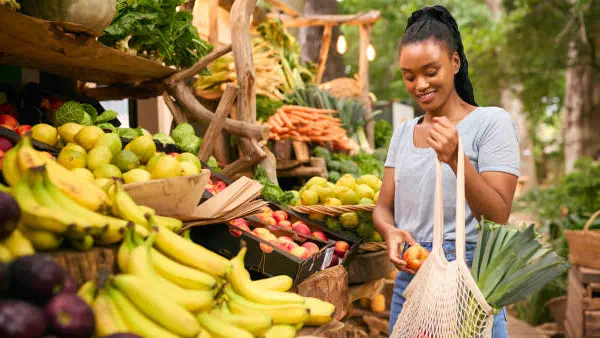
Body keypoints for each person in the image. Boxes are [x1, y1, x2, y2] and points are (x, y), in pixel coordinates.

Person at [373, 5, 520, 337]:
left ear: (454, 63)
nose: (420, 84)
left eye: (430, 71)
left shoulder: (490, 123)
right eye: (409, 76)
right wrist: (390, 232)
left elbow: (498, 216)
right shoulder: (403, 133)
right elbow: (384, 207)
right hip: (411, 280)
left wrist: (457, 160)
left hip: (471, 280)